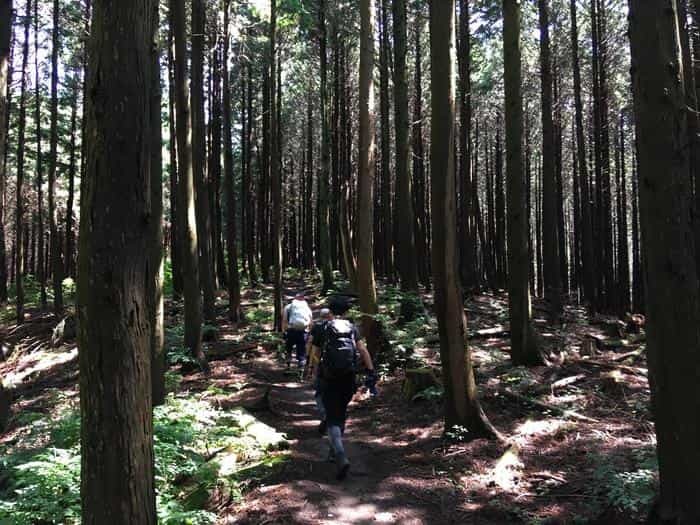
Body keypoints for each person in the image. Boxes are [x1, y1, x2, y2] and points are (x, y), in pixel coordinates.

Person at [310, 296, 377, 480]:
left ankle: (339, 454)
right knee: (341, 412)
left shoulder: (322, 328)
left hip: (328, 378)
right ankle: (335, 449)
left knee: (332, 416)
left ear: (330, 311)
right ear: (346, 311)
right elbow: (362, 350)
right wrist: (371, 371)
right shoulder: (352, 328)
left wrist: (316, 372)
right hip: (348, 378)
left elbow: (315, 354)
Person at [282, 291, 313, 369]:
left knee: (288, 348)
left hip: (291, 330)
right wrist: (309, 333)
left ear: (295, 298)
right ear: (303, 299)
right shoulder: (307, 308)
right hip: (303, 332)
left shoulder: (288, 307)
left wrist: (284, 331)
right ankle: (301, 367)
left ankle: (287, 366)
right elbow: (311, 322)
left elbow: (285, 320)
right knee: (301, 349)